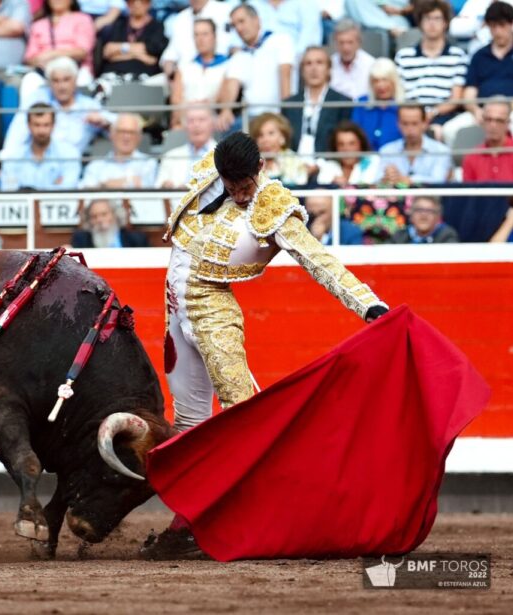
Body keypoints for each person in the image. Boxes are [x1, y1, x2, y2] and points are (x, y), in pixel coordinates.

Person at [142, 131, 388, 558]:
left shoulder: (274, 207)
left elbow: (320, 261)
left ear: (261, 167)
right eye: (232, 184)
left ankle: (271, 519)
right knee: (188, 424)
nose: (239, 194)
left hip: (214, 314)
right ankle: (189, 524)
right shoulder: (209, 175)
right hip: (174, 311)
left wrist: (368, 305)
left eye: (245, 185)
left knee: (242, 417)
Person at [4, 57, 114, 154]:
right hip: (37, 163)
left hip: (72, 166)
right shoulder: (37, 99)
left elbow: (119, 123)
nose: (61, 86)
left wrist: (104, 122)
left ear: (75, 80)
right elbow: (17, 134)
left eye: (66, 80)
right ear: (49, 83)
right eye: (56, 81)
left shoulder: (87, 105)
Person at [442, 1, 513, 145]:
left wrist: (503, 111)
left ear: (511, 24)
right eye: (493, 26)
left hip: (512, 111)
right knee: (449, 131)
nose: (498, 31)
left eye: (502, 25)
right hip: (482, 111)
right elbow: (469, 93)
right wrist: (476, 110)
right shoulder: (479, 56)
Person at [394, 0, 467, 139]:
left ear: (445, 23)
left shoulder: (458, 56)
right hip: (409, 115)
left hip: (443, 116)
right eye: (427, 18)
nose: (432, 24)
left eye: (437, 18)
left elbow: (456, 98)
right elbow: (399, 94)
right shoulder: (403, 56)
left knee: (435, 132)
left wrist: (432, 112)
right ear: (420, 23)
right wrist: (415, 115)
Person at [215, 3, 295, 130]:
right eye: (235, 25)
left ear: (256, 20)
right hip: (251, 118)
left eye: (242, 21)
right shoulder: (239, 55)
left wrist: (286, 114)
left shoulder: (280, 40)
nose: (239, 28)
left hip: (276, 114)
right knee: (225, 128)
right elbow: (231, 84)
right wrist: (226, 110)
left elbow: (285, 75)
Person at [280, 46, 351, 163]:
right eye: (308, 63)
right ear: (302, 70)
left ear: (328, 69)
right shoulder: (289, 104)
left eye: (319, 62)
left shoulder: (343, 102)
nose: (314, 69)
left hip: (329, 166)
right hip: (293, 165)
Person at [20, 0, 95, 102]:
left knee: (83, 79)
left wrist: (52, 54)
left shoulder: (82, 19)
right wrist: (40, 61)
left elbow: (83, 51)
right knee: (30, 80)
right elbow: (29, 58)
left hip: (75, 69)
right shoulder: (38, 24)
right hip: (45, 71)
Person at [0, 102, 82, 190]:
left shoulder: (69, 154)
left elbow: (68, 191)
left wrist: (27, 190)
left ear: (53, 125)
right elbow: (9, 191)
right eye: (37, 125)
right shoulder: (13, 157)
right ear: (28, 125)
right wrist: (54, 187)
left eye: (46, 125)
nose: (41, 131)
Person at [169, 18, 229, 130]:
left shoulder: (227, 66)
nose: (200, 39)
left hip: (215, 122)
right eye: (196, 35)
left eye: (205, 34)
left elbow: (223, 97)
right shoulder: (184, 66)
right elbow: (176, 99)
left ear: (214, 36)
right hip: (186, 121)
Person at [377, 105, 452, 185]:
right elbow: (376, 180)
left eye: (414, 123)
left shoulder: (442, 151)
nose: (410, 129)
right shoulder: (386, 151)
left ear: (425, 123)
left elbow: (439, 181)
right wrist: (385, 179)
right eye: (405, 123)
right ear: (398, 124)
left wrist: (407, 180)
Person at [160, 0, 236, 78]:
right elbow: (170, 55)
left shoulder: (226, 11)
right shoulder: (181, 18)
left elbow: (236, 46)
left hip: (220, 72)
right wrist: (172, 76)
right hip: (185, 75)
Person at [79, 113, 158, 188]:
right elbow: (85, 192)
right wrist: (128, 182)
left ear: (139, 137)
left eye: (131, 132)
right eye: (121, 132)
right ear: (111, 134)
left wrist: (105, 185)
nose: (126, 137)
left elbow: (146, 190)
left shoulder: (148, 164)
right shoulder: (95, 166)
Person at [98, 0, 167, 80]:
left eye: (143, 1)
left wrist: (119, 49)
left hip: (144, 76)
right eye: (132, 1)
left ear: (149, 4)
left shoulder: (157, 27)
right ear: (127, 4)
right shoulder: (119, 24)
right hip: (113, 74)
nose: (137, 5)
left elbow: (153, 55)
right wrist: (141, 56)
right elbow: (107, 52)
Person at [156, 105, 217, 188]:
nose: (196, 125)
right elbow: (158, 186)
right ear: (185, 126)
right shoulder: (171, 156)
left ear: (213, 124)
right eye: (191, 121)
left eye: (201, 120)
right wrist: (166, 186)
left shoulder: (224, 156)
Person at [351, 58, 403, 151]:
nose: (380, 85)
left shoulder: (404, 107)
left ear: (394, 81)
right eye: (376, 81)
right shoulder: (362, 104)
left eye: (385, 80)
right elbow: (354, 135)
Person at [248, 112, 308, 185]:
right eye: (260, 135)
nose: (265, 139)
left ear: (282, 138)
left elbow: (300, 182)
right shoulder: (252, 162)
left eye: (271, 133)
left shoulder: (293, 159)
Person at [462, 99, 513, 182]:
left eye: (499, 120)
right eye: (488, 119)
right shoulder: (471, 157)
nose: (493, 125)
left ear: (508, 123)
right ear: (482, 121)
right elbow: (468, 189)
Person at [316, 121, 381, 185]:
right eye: (341, 144)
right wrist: (332, 184)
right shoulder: (328, 167)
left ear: (361, 145)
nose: (346, 149)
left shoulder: (373, 162)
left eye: (351, 144)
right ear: (335, 147)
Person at [250, 0, 322, 56]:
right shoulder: (253, 3)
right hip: (259, 59)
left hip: (296, 61)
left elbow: (310, 40)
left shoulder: (306, 2)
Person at [70, 198, 150, 247]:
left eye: (104, 214)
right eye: (94, 216)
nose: (99, 220)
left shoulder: (137, 239)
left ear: (115, 215)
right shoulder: (81, 240)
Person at [329, 18, 375, 102]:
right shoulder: (328, 65)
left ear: (359, 43)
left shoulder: (371, 65)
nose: (345, 48)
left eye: (350, 42)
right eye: (341, 43)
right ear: (335, 43)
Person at [389, 196, 459, 243]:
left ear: (438, 216)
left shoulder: (447, 236)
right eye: (419, 210)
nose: (424, 215)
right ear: (411, 214)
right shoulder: (400, 236)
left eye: (429, 210)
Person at [343, 0, 412, 38]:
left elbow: (415, 5)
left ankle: (389, 27)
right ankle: (389, 27)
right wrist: (382, 5)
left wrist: (401, 11)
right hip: (371, 15)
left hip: (399, 18)